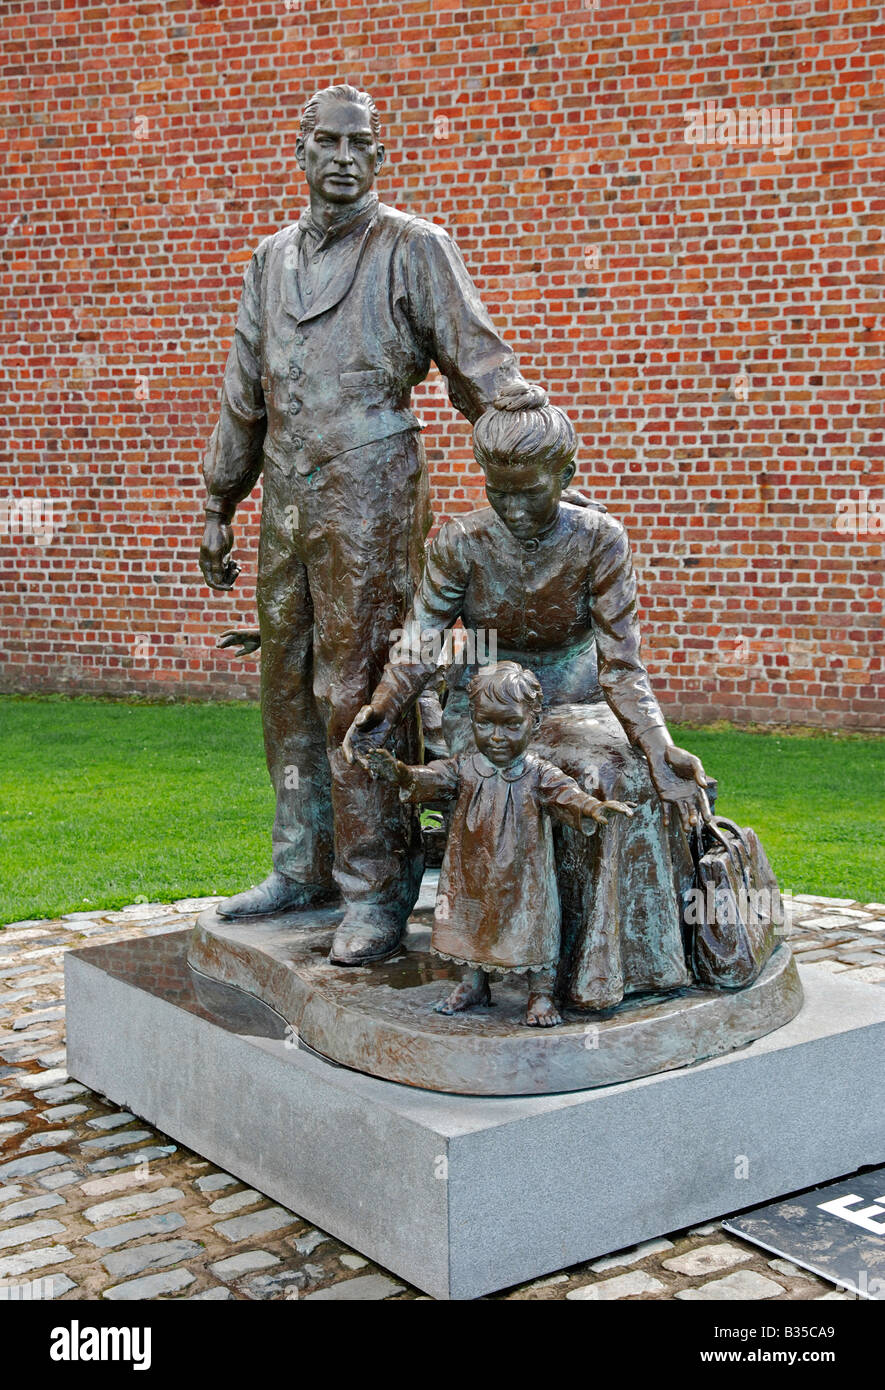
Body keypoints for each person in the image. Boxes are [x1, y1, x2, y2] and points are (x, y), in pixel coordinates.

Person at [198, 83, 546, 965]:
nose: (344, 158)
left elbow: (482, 367)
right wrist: (217, 501)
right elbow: (247, 391)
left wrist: (538, 462)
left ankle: (375, 888)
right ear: (303, 150)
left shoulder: (413, 248)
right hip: (286, 496)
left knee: (357, 691)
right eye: (328, 142)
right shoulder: (268, 261)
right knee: (284, 687)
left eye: (362, 144)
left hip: (375, 492)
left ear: (378, 158)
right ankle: (300, 864)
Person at [346, 404, 714, 1010]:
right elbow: (422, 638)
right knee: (513, 777)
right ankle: (493, 955)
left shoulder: (601, 540)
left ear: (566, 475)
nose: (513, 510)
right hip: (489, 703)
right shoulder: (461, 541)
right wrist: (383, 708)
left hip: (577, 695)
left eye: (530, 494)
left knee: (616, 775)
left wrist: (659, 745)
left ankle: (601, 971)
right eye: (498, 492)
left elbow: (622, 667)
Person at [367, 662, 633, 1025]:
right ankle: (474, 983)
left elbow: (566, 795)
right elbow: (430, 778)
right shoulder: (465, 767)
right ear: (472, 721)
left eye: (511, 725)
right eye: (485, 723)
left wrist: (594, 807)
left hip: (525, 877)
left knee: (534, 928)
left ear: (534, 724)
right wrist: (401, 773)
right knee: (471, 924)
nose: (496, 736)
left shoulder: (538, 772)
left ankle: (540, 993)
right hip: (472, 871)